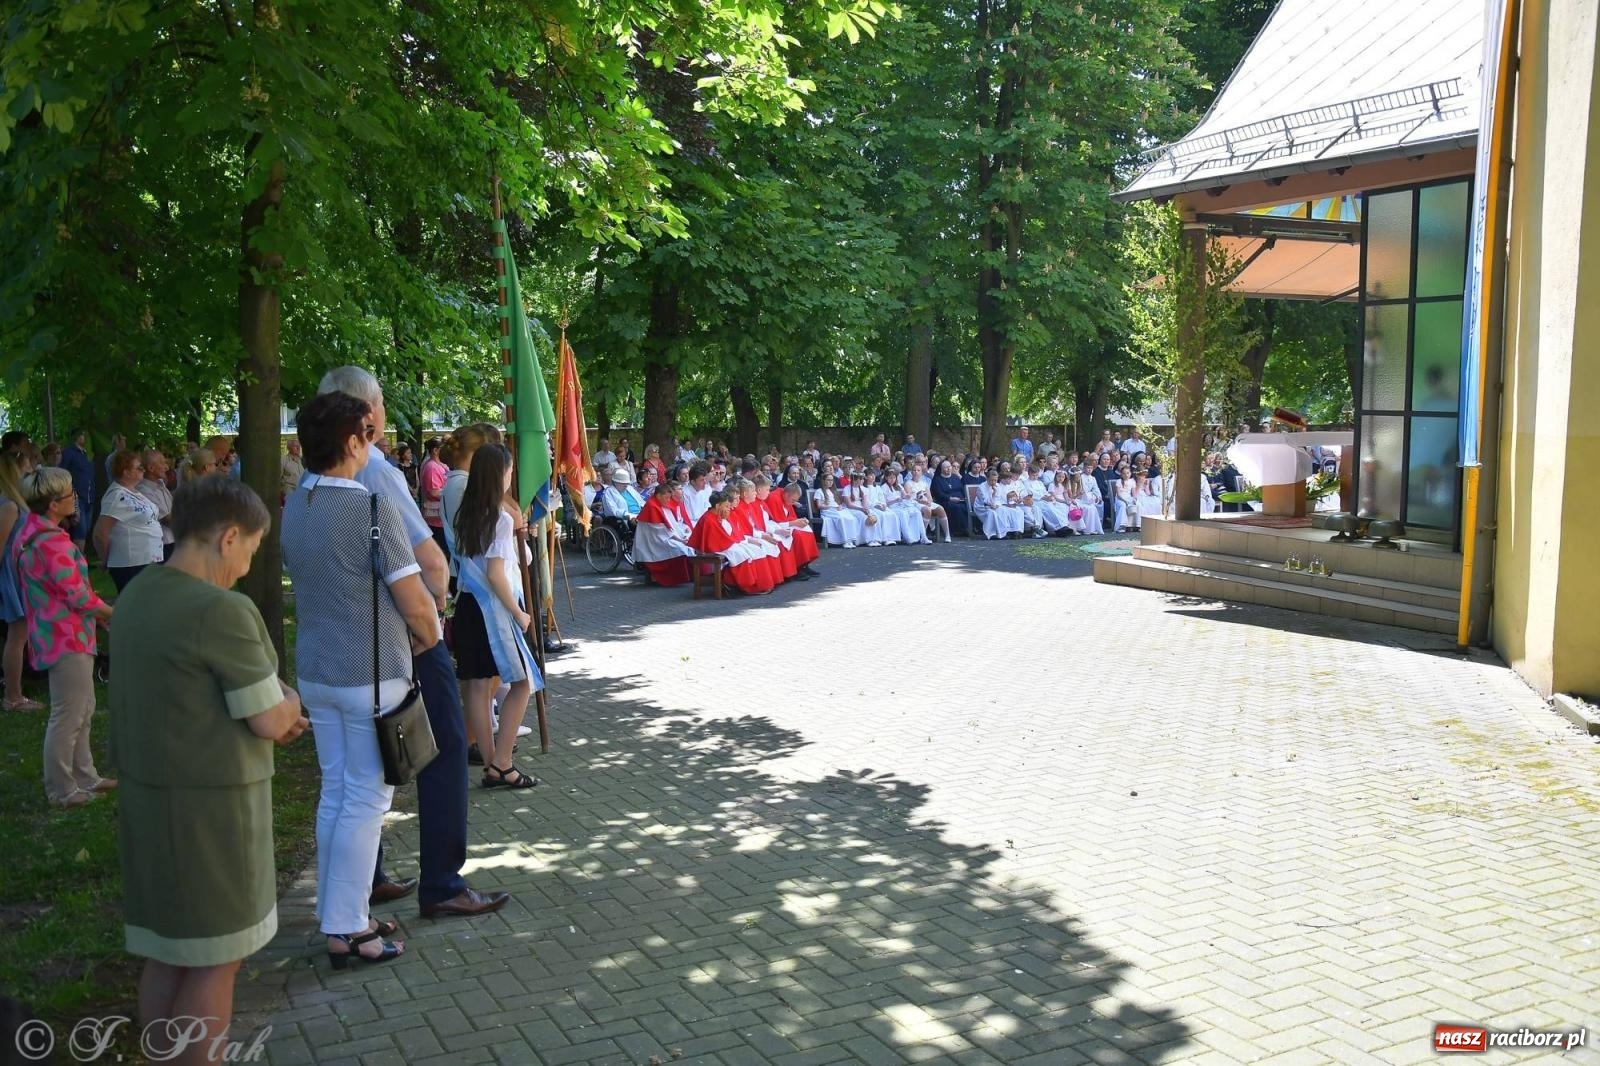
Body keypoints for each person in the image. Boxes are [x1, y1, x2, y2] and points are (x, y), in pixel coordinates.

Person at [110, 475, 308, 1050]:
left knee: (168, 953)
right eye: (250, 548)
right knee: (216, 960)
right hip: (213, 809)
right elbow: (271, 719)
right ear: (228, 537)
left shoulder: (138, 593)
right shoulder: (222, 610)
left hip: (148, 798)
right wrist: (290, 700)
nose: (248, 564)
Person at [314, 368, 508, 922]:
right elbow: (427, 560)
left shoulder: (308, 488)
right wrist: (432, 624)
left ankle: (363, 879)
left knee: (352, 771)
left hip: (340, 648)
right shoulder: (374, 471)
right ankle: (441, 882)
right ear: (367, 417)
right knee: (443, 746)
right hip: (401, 637)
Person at [282, 391, 436, 965]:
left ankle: (337, 914)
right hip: (371, 675)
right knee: (366, 800)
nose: (373, 440)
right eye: (369, 431)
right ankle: (347, 925)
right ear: (353, 441)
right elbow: (414, 600)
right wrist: (431, 635)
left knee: (337, 794)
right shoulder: (372, 508)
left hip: (318, 671)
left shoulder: (294, 506)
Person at [16, 467, 115, 806]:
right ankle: (61, 788)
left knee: (83, 707)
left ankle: (85, 775)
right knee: (69, 712)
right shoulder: (52, 542)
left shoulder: (33, 533)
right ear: (54, 504)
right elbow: (77, 595)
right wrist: (112, 613)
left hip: (62, 632)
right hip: (64, 636)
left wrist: (96, 618)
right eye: (70, 493)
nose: (75, 497)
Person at [451, 443, 541, 790]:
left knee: (476, 686)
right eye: (509, 471)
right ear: (498, 474)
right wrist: (519, 613)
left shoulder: (467, 513)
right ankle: (502, 762)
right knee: (521, 682)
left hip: (469, 607)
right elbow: (496, 575)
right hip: (493, 610)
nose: (511, 476)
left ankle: (492, 762)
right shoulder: (500, 518)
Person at [0, 449, 43, 711]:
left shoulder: (14, 502)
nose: (30, 473)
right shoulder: (9, 506)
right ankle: (13, 696)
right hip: (13, 573)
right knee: (18, 635)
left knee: (19, 635)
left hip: (21, 570)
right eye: (26, 469)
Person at [93, 451, 165, 592]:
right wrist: (105, 559)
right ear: (126, 472)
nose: (143, 470)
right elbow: (100, 533)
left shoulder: (132, 491)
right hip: (131, 563)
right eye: (139, 467)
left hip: (148, 559)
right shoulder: (116, 496)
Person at [687, 491, 776, 595]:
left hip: (723, 545)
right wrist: (735, 543)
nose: (729, 508)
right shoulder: (708, 519)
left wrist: (739, 542)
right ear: (717, 505)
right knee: (741, 554)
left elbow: (728, 535)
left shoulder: (718, 515)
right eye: (726, 506)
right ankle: (744, 586)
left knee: (751, 550)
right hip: (714, 549)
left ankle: (754, 583)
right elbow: (714, 542)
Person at [635, 483, 696, 586]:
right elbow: (662, 532)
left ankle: (688, 576)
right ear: (659, 496)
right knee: (680, 548)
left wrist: (682, 537)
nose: (669, 501)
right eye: (667, 498)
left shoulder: (660, 504)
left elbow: (672, 525)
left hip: (660, 537)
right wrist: (681, 540)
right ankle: (670, 579)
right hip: (653, 543)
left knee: (686, 545)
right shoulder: (652, 507)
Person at [766, 481, 820, 578]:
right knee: (797, 535)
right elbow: (775, 521)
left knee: (807, 530)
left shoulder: (786, 496)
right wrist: (794, 523)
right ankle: (798, 568)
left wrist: (799, 521)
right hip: (775, 527)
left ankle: (805, 564)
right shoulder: (774, 498)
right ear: (786, 495)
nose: (793, 503)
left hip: (785, 525)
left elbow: (789, 516)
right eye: (793, 500)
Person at [59, 428, 95, 548]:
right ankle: (78, 561)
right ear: (77, 436)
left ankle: (80, 558)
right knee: (80, 530)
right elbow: (62, 473)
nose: (85, 438)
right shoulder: (69, 452)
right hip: (76, 497)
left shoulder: (86, 454)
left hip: (89, 497)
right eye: (83, 435)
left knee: (86, 529)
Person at [138, 451, 176, 562]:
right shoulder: (144, 491)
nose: (167, 467)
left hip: (172, 540)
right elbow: (167, 520)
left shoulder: (161, 485)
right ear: (151, 468)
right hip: (163, 544)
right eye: (162, 463)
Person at [812, 473, 863, 548]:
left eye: (832, 480)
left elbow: (836, 503)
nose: (830, 482)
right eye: (828, 480)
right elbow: (819, 506)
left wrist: (839, 506)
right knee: (841, 518)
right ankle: (844, 540)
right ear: (823, 481)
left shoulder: (831, 491)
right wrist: (832, 507)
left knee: (850, 517)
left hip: (835, 509)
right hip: (827, 511)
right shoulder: (819, 491)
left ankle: (850, 540)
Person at [419, 437, 449, 558]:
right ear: (435, 450)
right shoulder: (431, 467)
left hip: (441, 517)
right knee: (443, 551)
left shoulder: (439, 464)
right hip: (435, 518)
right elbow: (433, 492)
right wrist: (451, 493)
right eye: (443, 448)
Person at [930, 459, 969, 537]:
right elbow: (938, 494)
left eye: (950, 466)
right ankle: (959, 530)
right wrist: (950, 498)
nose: (949, 469)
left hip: (959, 500)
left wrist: (963, 498)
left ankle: (968, 528)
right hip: (945, 501)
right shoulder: (937, 480)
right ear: (941, 469)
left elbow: (962, 490)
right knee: (956, 507)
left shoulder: (955, 477)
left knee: (965, 506)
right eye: (946, 467)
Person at [280, 438, 305, 502]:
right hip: (289, 493)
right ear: (289, 448)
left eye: (299, 446)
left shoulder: (302, 460)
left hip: (302, 493)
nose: (298, 448)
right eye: (295, 446)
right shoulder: (283, 460)